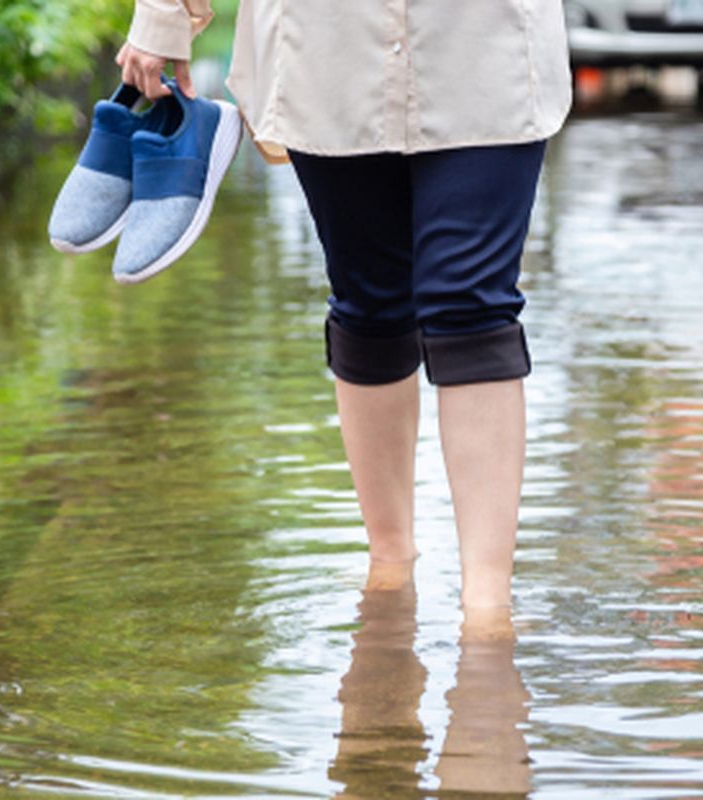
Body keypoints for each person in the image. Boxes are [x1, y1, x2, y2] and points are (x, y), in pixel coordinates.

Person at [117, 0, 573, 610]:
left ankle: (488, 604)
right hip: (326, 46)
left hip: (483, 42)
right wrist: (165, 16)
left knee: (472, 305)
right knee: (369, 302)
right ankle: (389, 561)